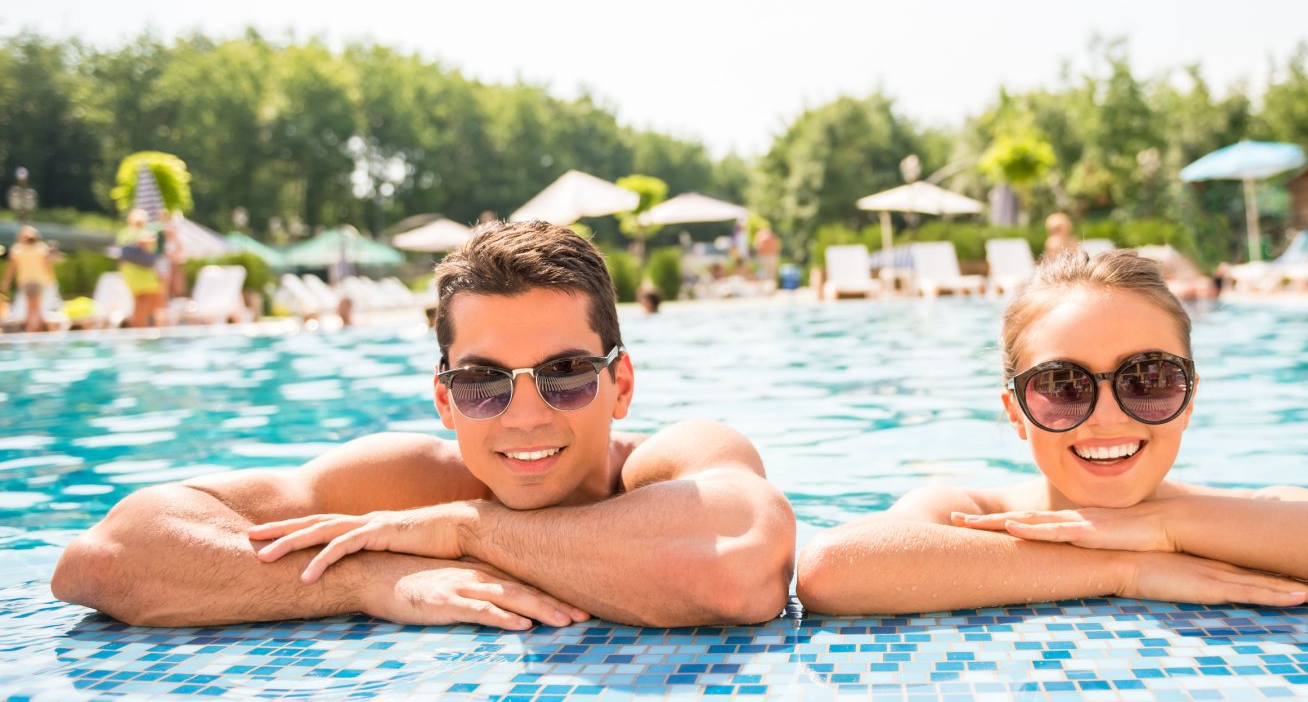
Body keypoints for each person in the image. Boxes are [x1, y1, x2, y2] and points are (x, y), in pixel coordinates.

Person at [53, 220, 796, 628]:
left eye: (566, 375)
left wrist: (470, 531)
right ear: (444, 402)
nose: (525, 415)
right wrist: (376, 580)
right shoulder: (409, 480)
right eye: (483, 384)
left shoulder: (672, 461)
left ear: (620, 383)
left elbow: (739, 571)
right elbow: (106, 556)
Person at [797, 250, 1308, 615]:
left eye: (1147, 378)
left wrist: (1172, 526)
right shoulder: (966, 514)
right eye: (1063, 386)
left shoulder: (1237, 521)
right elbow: (832, 572)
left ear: (1188, 398)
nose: (1109, 416)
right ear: (1014, 409)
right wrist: (1125, 569)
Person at [1, 226, 57, 332]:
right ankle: (35, 330)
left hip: (25, 282)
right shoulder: (40, 248)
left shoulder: (17, 249)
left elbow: (10, 268)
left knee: (30, 309)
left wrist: (6, 282)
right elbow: (47, 265)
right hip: (39, 281)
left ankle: (31, 330)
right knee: (37, 308)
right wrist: (51, 279)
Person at [117, 208, 165, 328]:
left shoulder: (126, 233)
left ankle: (144, 328)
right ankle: (140, 329)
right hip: (140, 275)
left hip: (140, 274)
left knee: (146, 303)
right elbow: (146, 245)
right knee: (142, 303)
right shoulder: (133, 233)